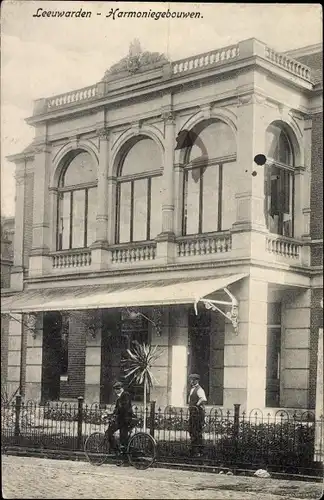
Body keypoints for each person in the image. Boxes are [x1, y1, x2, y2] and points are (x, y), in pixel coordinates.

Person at [105, 381, 134, 463]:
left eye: (117, 389)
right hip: (121, 420)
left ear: (120, 389)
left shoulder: (125, 395)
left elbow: (124, 408)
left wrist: (115, 412)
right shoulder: (119, 398)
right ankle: (118, 452)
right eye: (116, 389)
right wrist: (111, 413)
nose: (116, 391)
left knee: (121, 439)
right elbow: (117, 410)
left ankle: (122, 457)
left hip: (125, 420)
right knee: (110, 434)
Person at [188, 373, 207, 457]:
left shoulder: (199, 389)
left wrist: (197, 405)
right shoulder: (192, 389)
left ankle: (199, 451)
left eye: (192, 380)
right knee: (192, 430)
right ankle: (193, 449)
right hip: (193, 412)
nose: (191, 381)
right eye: (190, 380)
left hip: (197, 413)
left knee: (197, 431)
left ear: (196, 380)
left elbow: (203, 398)